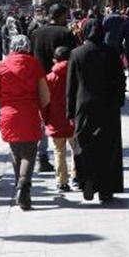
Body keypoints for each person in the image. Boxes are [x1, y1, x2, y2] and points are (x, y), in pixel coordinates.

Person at [67, 19, 126, 204]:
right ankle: (106, 188)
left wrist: (69, 112)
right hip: (108, 106)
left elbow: (71, 86)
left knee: (83, 144)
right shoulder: (111, 52)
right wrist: (119, 100)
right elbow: (120, 79)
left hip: (83, 105)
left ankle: (87, 179)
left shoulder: (77, 54)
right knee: (108, 146)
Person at [0, 35, 50, 210]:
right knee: (29, 153)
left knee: (16, 152)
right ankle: (24, 184)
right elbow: (44, 94)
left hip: (9, 114)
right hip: (29, 113)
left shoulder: (3, 64)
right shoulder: (34, 64)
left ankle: (19, 185)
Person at [30, 4, 78, 172]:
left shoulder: (35, 34)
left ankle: (41, 156)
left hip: (40, 81)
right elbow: (74, 57)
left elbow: (30, 57)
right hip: (62, 80)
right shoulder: (65, 33)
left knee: (42, 118)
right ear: (61, 16)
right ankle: (72, 159)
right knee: (64, 115)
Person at [45, 46, 79, 192]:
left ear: (54, 60)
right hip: (73, 119)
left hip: (55, 119)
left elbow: (44, 101)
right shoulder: (76, 75)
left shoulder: (49, 78)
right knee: (76, 149)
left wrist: (45, 119)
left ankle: (62, 181)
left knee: (59, 151)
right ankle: (76, 175)